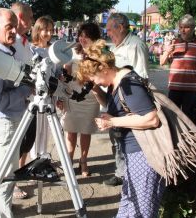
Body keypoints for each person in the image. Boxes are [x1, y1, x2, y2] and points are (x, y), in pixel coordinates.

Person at [77, 39, 165, 217]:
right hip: (132, 154)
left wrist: (113, 122)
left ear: (104, 68)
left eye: (93, 77)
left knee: (141, 210)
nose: (93, 81)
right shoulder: (115, 83)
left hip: (144, 156)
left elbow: (151, 119)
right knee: (128, 206)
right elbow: (111, 106)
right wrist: (95, 89)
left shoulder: (128, 84)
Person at [0, 8, 34, 218]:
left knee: (5, 168)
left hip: (13, 120)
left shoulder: (6, 52)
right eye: (8, 27)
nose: (13, 32)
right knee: (6, 172)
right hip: (6, 123)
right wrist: (24, 90)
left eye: (14, 26)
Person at [104, 13, 149, 186]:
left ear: (121, 27)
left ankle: (130, 174)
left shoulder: (136, 45)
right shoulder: (116, 47)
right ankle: (121, 172)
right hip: (114, 101)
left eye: (109, 29)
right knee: (116, 137)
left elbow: (142, 77)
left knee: (130, 140)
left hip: (130, 104)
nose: (107, 33)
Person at [60, 23, 100, 177]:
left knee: (86, 131)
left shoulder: (99, 54)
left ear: (94, 38)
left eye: (86, 36)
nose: (82, 39)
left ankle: (83, 160)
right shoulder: (72, 51)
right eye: (81, 36)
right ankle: (68, 161)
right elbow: (65, 75)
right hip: (72, 96)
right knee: (70, 131)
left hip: (90, 98)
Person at [160, 14, 196, 118]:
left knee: (188, 118)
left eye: (186, 27)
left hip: (191, 90)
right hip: (174, 88)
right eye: (180, 27)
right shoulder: (174, 42)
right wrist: (167, 52)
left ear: (193, 28)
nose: (183, 30)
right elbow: (162, 62)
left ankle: (189, 134)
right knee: (172, 117)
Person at [10, 2, 34, 199]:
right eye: (30, 17)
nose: (31, 21)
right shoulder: (10, 42)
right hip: (15, 101)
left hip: (27, 99)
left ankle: (18, 174)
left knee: (27, 141)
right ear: (20, 18)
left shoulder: (24, 42)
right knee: (14, 145)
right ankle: (11, 185)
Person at [29, 16, 55, 160]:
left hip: (50, 96)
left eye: (51, 30)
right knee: (35, 130)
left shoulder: (52, 49)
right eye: (46, 30)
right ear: (38, 30)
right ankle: (34, 160)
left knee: (46, 130)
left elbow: (56, 72)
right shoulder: (32, 49)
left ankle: (44, 159)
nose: (49, 33)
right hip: (36, 96)